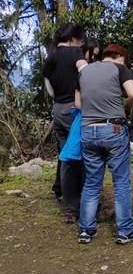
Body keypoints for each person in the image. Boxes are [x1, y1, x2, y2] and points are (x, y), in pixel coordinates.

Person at [76, 44, 133, 245]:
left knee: (91, 182)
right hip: (113, 129)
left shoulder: (85, 70)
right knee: (121, 181)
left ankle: (86, 231)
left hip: (88, 130)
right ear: (120, 56)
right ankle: (125, 231)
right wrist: (126, 108)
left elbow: (78, 104)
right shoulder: (119, 69)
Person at [43, 23, 85, 222]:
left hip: (58, 109)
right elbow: (87, 75)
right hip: (73, 109)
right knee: (80, 157)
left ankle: (69, 204)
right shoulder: (75, 53)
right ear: (73, 39)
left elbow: (49, 89)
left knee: (65, 156)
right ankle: (80, 205)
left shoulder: (50, 56)